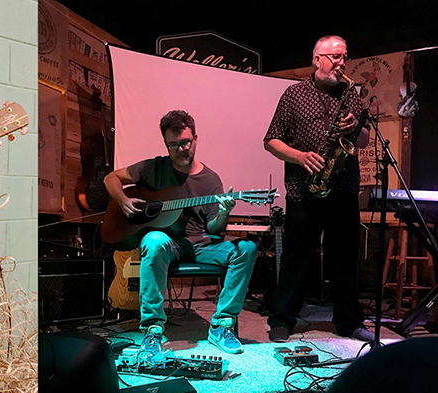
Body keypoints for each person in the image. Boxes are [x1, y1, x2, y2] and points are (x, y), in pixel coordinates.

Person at [104, 110, 257, 355]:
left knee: (246, 249)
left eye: (185, 142)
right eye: (172, 145)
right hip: (169, 244)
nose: (180, 149)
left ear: (195, 138)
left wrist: (224, 212)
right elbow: (110, 178)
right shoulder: (154, 168)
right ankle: (153, 330)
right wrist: (122, 201)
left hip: (203, 245)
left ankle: (221, 326)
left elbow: (214, 228)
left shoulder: (210, 179)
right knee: (153, 239)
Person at [263, 35, 373, 343]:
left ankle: (348, 322)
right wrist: (299, 156)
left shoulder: (350, 95)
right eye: (335, 56)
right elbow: (270, 140)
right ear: (317, 59)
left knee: (345, 259)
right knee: (297, 258)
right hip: (304, 189)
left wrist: (357, 128)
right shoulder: (294, 94)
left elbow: (363, 141)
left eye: (344, 57)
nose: (341, 63)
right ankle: (283, 318)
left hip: (343, 188)